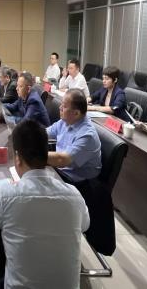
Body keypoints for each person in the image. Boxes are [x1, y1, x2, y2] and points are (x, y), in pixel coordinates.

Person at [0, 119, 90, 289]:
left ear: (18, 158)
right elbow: (85, 224)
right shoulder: (74, 195)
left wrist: (3, 192)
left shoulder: (7, 195)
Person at [47, 89, 115, 256]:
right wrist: (26, 134)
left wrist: (32, 154)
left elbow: (63, 159)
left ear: (76, 113)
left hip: (81, 186)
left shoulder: (87, 135)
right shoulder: (65, 121)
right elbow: (46, 132)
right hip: (63, 175)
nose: (60, 108)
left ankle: (52, 246)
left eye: (64, 106)